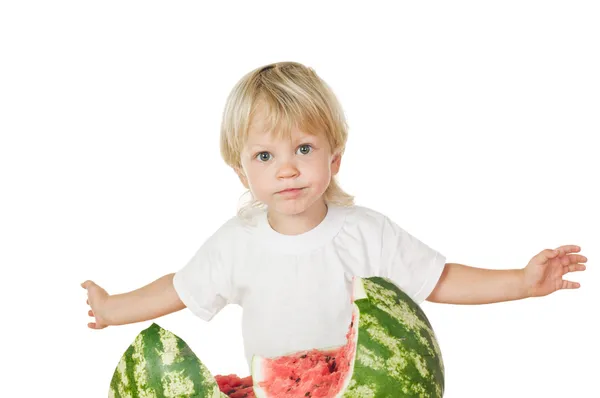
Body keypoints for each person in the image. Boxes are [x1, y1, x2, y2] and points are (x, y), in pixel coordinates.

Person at [81, 61, 587, 371]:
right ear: (242, 174)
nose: (286, 170)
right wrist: (111, 308)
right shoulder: (234, 244)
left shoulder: (366, 232)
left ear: (334, 160)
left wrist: (521, 281)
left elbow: (439, 279)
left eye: (303, 148)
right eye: (265, 157)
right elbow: (178, 288)